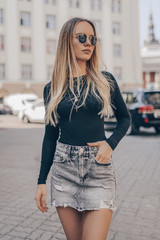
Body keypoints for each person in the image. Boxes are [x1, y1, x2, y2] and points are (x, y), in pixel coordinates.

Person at [35, 17, 131, 240]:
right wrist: (41, 181)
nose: (88, 43)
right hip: (64, 171)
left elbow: (125, 119)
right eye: (82, 38)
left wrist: (111, 143)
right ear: (67, 42)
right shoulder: (53, 88)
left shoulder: (105, 80)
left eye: (92, 39)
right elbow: (50, 137)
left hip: (98, 170)